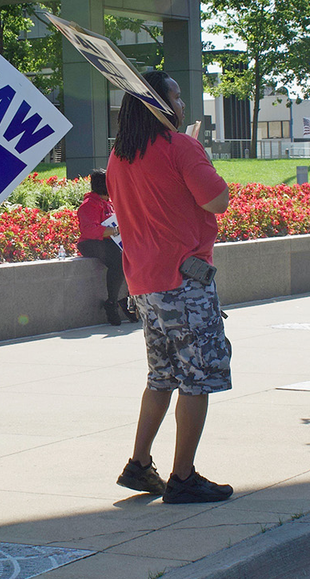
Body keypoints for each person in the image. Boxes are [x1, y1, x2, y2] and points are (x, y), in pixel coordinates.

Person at [107, 70, 234, 504]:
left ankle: (140, 463)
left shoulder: (119, 156)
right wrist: (199, 155)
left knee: (161, 376)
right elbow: (216, 200)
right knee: (197, 378)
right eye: (177, 97)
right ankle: (183, 477)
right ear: (158, 105)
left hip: (145, 284)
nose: (182, 105)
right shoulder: (182, 147)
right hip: (185, 283)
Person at [77, 170, 131, 325]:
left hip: (110, 241)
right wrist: (115, 231)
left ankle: (127, 298)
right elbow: (89, 230)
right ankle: (112, 303)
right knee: (119, 261)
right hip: (90, 243)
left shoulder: (108, 203)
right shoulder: (89, 205)